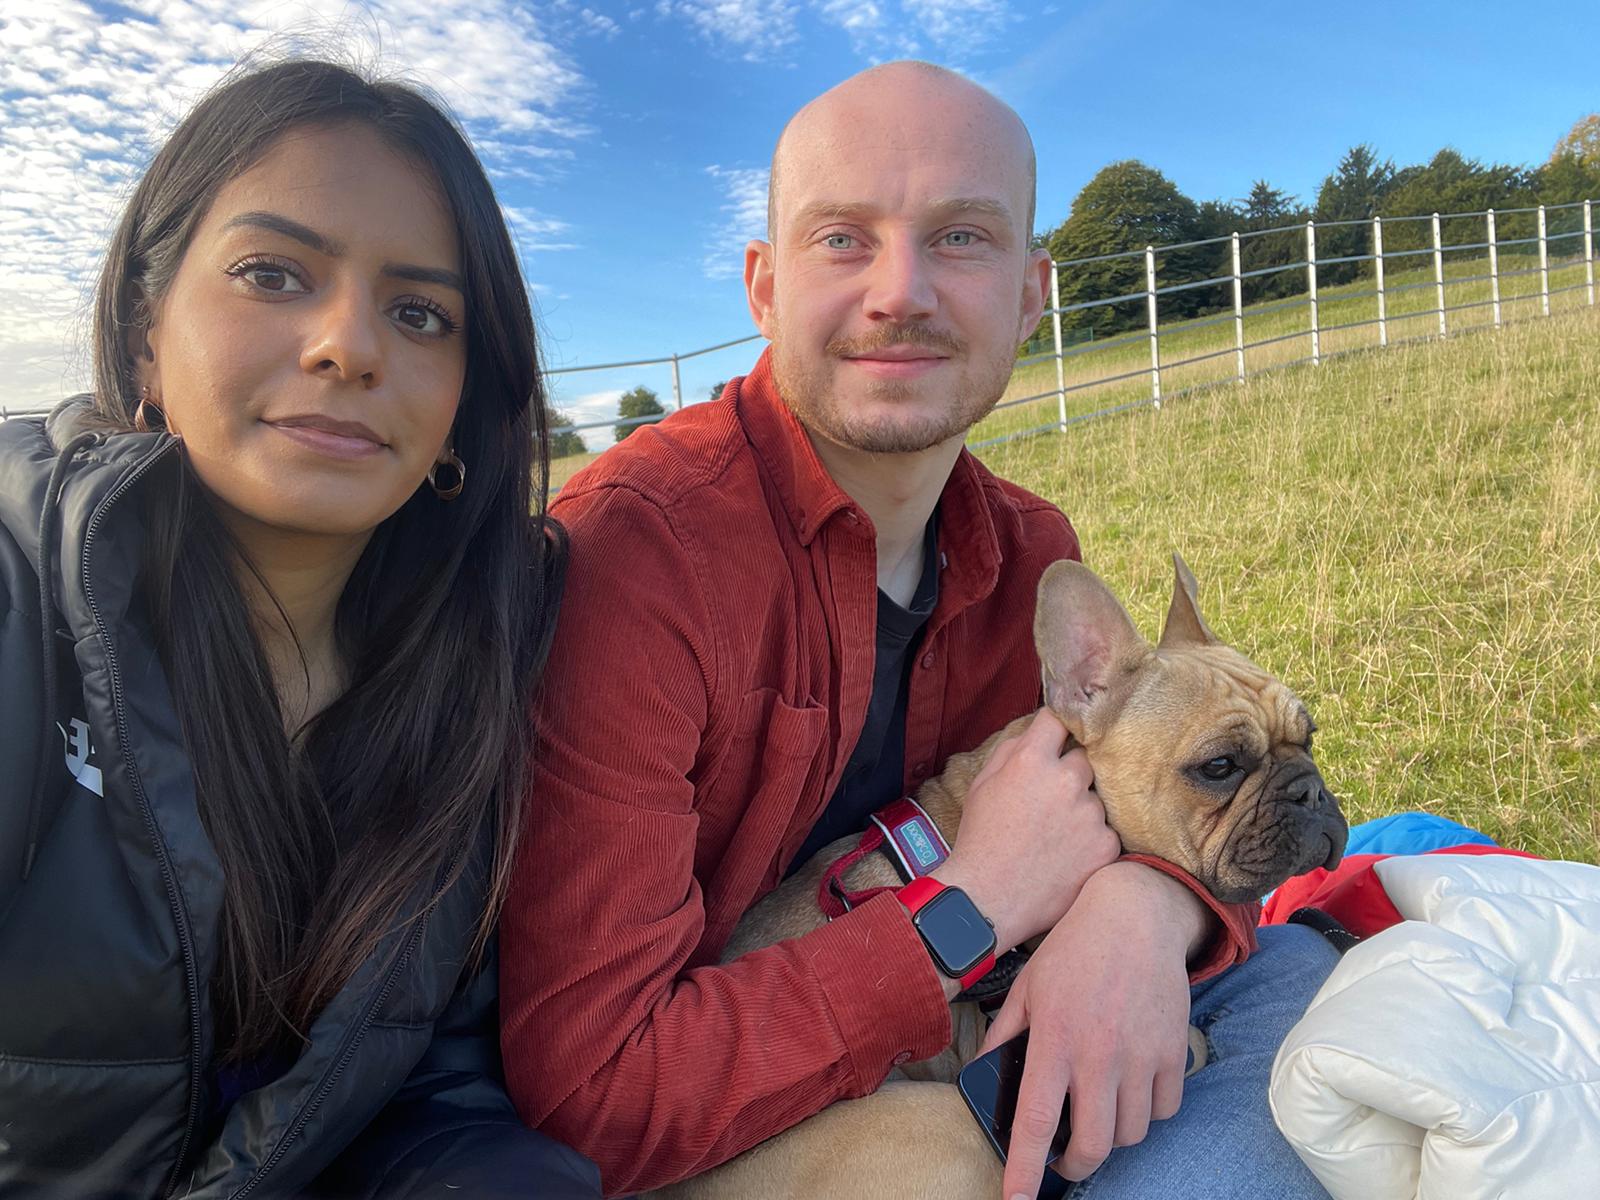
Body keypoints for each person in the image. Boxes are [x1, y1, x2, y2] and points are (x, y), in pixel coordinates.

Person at [499, 61, 1338, 1200]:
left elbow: (1129, 798)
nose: (900, 292)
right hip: (731, 1122)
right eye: (842, 238)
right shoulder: (630, 560)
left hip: (972, 1035)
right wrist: (969, 909)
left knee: (1306, 977)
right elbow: (596, 1099)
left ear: (1033, 292)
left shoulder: (1029, 552)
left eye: (960, 238)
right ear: (762, 286)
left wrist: (1147, 910)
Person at [0, 59, 599, 1199]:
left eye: (420, 312)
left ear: (466, 395)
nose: (348, 346)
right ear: (143, 335)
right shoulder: (24, 597)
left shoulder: (485, 665)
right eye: (273, 274)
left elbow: (430, 1090)